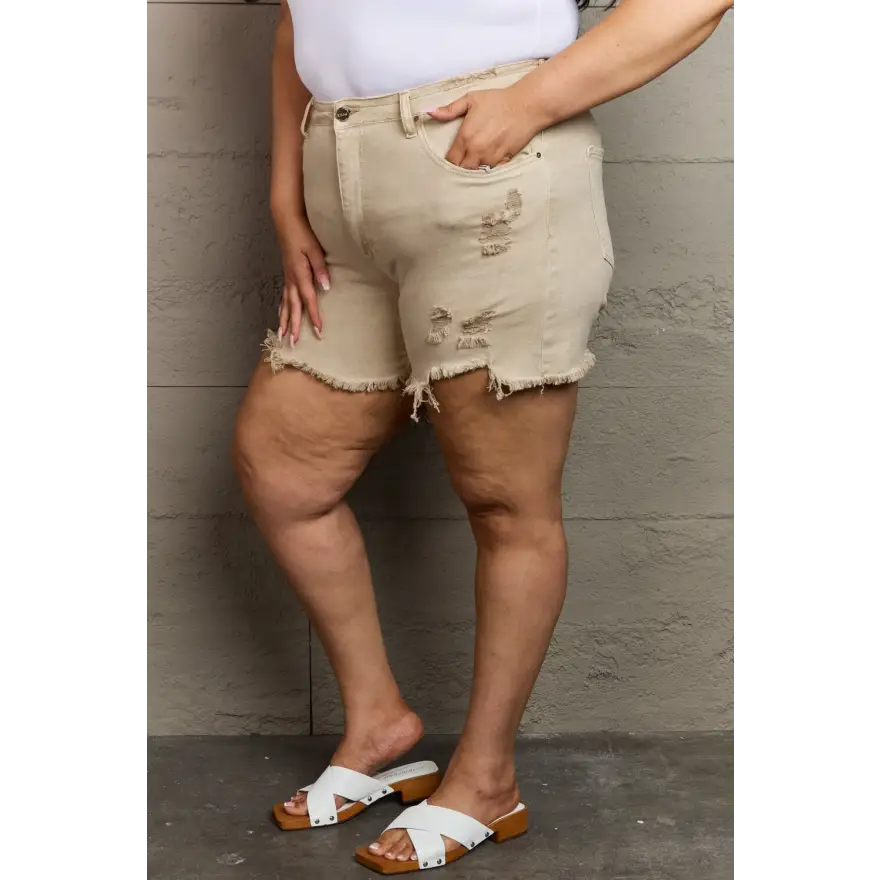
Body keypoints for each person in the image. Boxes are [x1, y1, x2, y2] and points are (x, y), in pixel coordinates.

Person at [233, 0, 733, 872]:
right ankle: (379, 721)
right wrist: (287, 192)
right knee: (284, 472)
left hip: (489, 173)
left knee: (504, 500)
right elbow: (295, 18)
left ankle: (489, 779)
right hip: (338, 177)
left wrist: (533, 101)